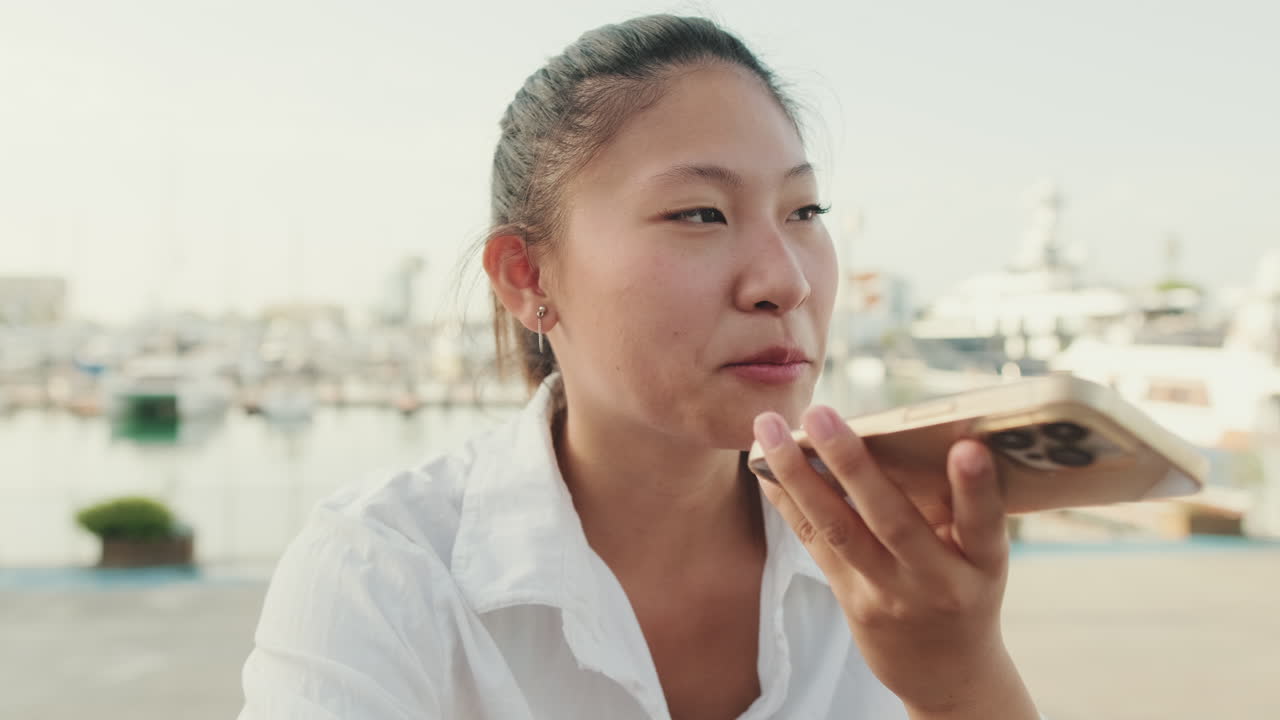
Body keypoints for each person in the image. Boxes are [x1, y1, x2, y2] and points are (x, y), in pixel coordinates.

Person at [239, 14, 1043, 720]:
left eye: (804, 212)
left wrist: (959, 689)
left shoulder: (890, 567)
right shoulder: (381, 575)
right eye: (700, 213)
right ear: (527, 276)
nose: (787, 281)